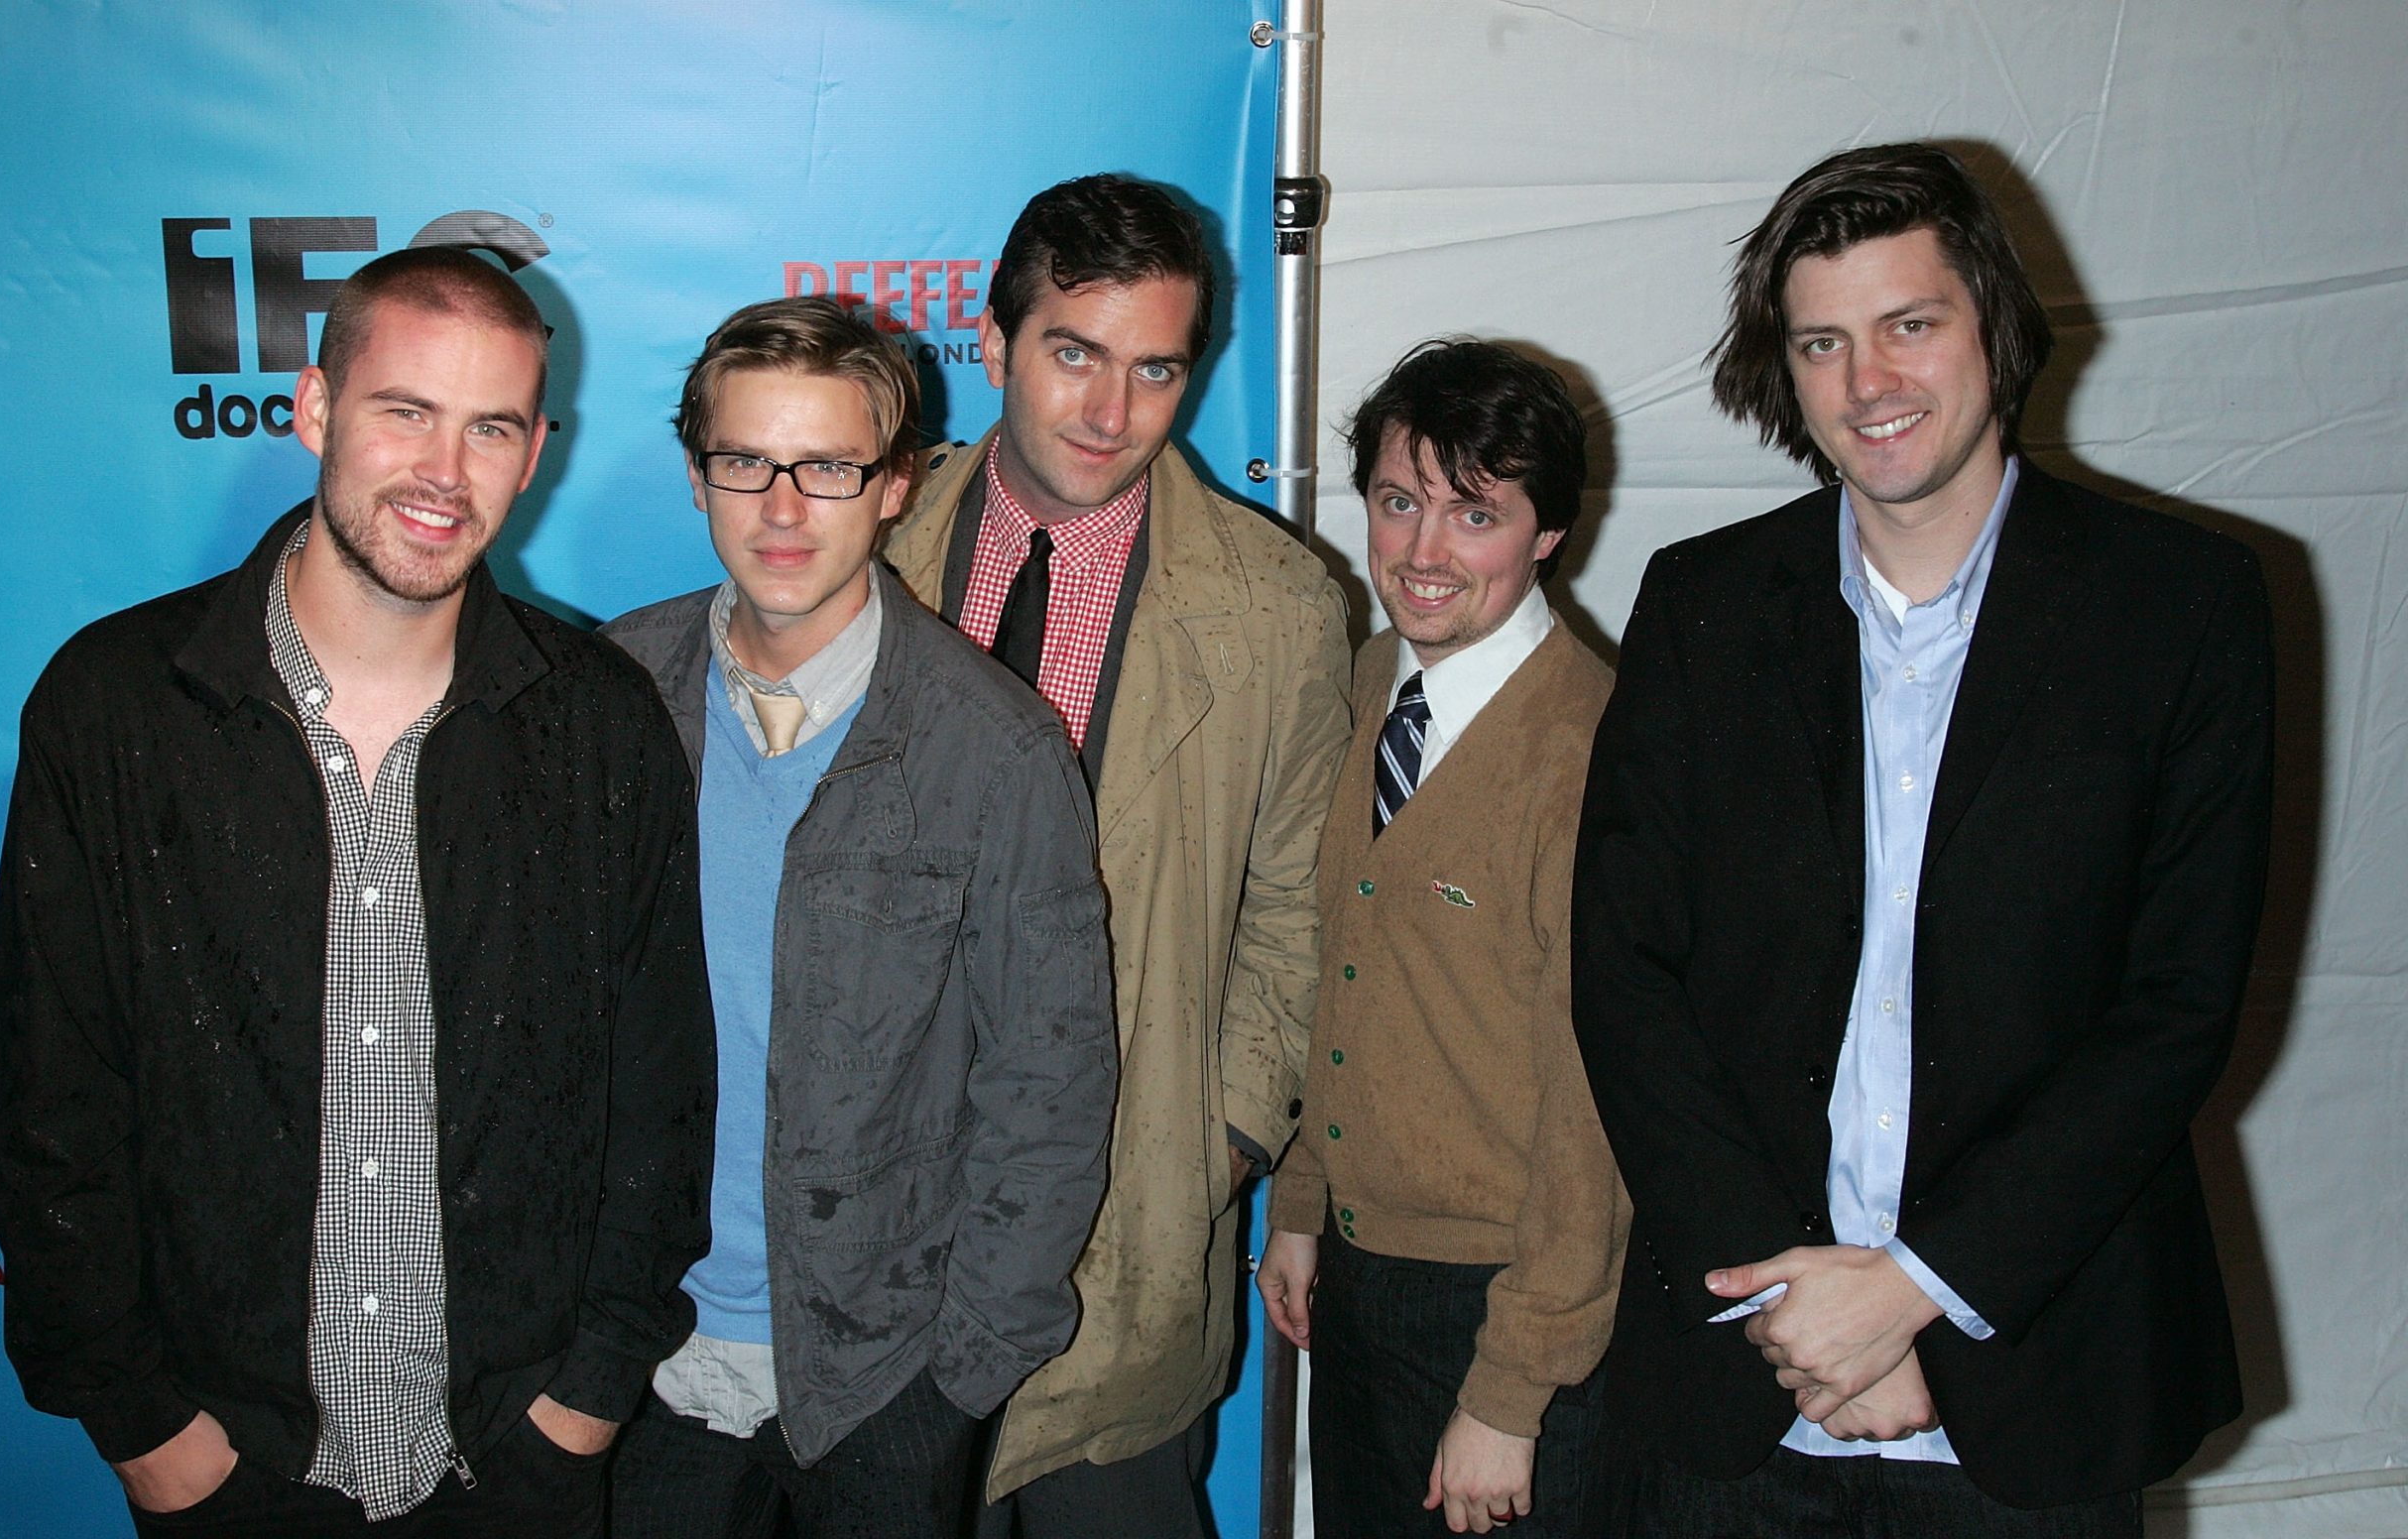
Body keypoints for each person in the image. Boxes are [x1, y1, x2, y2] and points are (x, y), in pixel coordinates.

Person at [1573, 142, 2276, 1535]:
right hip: (1740, 1391)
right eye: (1821, 342)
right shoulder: (1701, 604)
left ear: (1997, 329)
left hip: (2037, 1377)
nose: (1867, 383)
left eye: (1910, 324)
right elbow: (1622, 973)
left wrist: (1913, 1299)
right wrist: (1797, 1311)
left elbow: (2175, 1007)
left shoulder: (2183, 607)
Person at [0, 245, 717, 1536]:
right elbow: (50, 1095)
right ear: (314, 407)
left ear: (533, 454)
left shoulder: (600, 722)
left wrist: (586, 1398)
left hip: (516, 1468)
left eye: (488, 428)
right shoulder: (116, 707)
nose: (444, 472)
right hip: (227, 1473)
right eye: (403, 412)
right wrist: (144, 1425)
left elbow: (659, 1094)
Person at [880, 173, 1354, 1537]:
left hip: (1132, 1247)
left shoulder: (1277, 610)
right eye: (1074, 354)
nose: (1109, 413)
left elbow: (1299, 915)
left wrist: (1217, 1141)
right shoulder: (862, 552)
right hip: (888, 1247)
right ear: (992, 343)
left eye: (1156, 370)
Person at [598, 296, 1118, 1539]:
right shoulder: (607, 700)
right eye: (746, 462)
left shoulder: (993, 747)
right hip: (638, 1363)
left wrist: (959, 1375)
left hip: (886, 1387)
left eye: (827, 467)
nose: (782, 508)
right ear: (697, 477)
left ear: (896, 485)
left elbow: (1051, 1085)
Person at [1258, 339, 1630, 1537]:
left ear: (1547, 532)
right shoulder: (1363, 686)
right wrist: (1304, 1202)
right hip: (1363, 1280)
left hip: (1517, 1306)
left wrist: (1513, 1389)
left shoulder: (1594, 752)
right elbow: (1336, 973)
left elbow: (1600, 1100)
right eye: (1399, 501)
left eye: (1475, 514)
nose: (1422, 554)